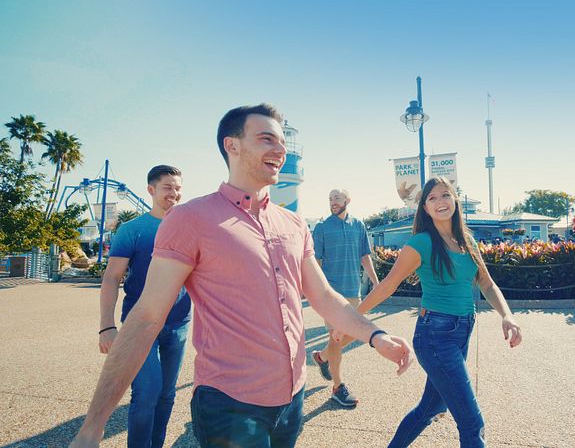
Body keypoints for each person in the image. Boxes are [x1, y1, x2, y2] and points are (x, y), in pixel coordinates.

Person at [71, 103, 412, 448]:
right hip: (230, 405)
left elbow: (324, 297)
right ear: (231, 145)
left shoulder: (293, 224)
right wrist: (93, 426)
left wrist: (375, 336)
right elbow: (145, 318)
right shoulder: (190, 219)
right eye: (267, 139)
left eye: (283, 141)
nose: (280, 149)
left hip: (292, 399)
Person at [348, 176, 523, 447]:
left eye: (445, 195)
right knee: (471, 423)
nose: (440, 202)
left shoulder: (467, 241)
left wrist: (507, 315)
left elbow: (486, 283)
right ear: (425, 208)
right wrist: (351, 319)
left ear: (455, 200)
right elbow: (388, 285)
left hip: (462, 331)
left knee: (429, 409)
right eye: (432, 198)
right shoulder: (422, 243)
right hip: (435, 336)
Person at [98, 165, 190, 448]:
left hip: (178, 324)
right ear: (151, 190)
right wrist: (106, 326)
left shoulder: (189, 229)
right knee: (146, 392)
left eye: (177, 188)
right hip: (140, 324)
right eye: (167, 188)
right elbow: (112, 278)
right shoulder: (132, 230)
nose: (173, 194)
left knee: (167, 394)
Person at [311, 189, 379, 407]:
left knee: (353, 334)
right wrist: (315, 291)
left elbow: (365, 257)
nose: (333, 202)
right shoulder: (322, 228)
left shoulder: (359, 226)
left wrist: (377, 284)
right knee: (337, 338)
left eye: (337, 199)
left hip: (354, 291)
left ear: (347, 201)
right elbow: (316, 263)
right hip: (330, 294)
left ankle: (322, 356)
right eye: (330, 199)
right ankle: (338, 387)